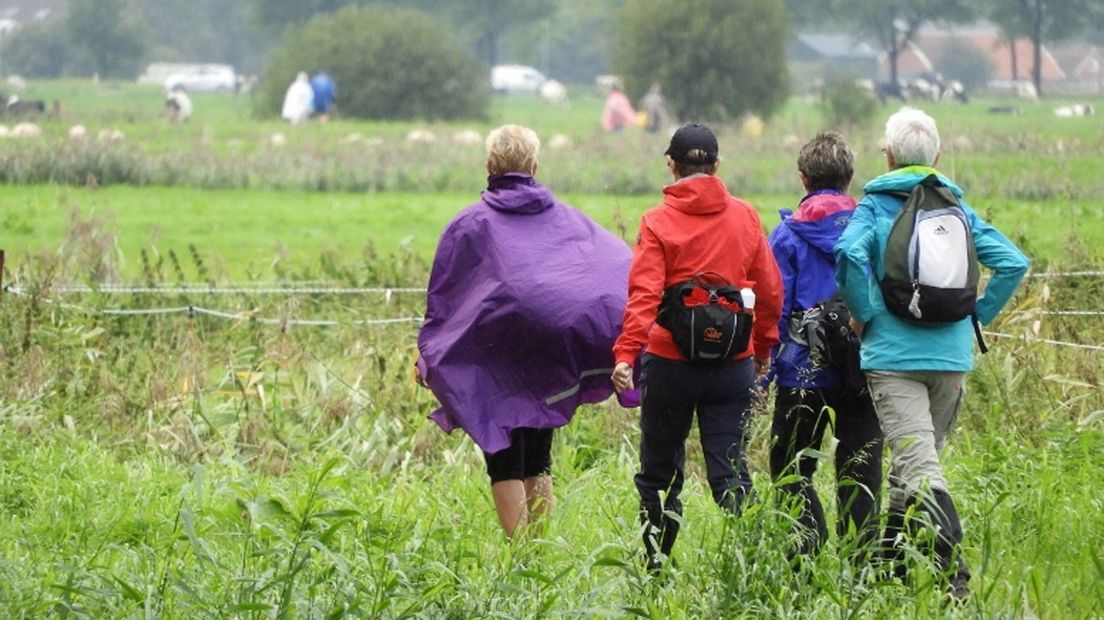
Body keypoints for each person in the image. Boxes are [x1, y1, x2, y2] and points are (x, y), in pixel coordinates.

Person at [834, 107, 1029, 599]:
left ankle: (954, 577)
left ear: (889, 156)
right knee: (912, 465)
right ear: (937, 157)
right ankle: (889, 575)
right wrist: (976, 316)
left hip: (892, 357)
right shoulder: (957, 209)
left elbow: (848, 255)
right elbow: (1013, 263)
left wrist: (867, 312)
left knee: (918, 467)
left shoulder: (875, 207)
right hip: (951, 358)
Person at [416, 124, 636, 541]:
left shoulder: (467, 225)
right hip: (545, 353)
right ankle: (540, 551)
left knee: (504, 457)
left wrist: (428, 356)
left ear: (487, 167)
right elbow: (606, 267)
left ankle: (521, 558)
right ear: (534, 166)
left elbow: (446, 302)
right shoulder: (567, 221)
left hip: (494, 360)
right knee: (538, 454)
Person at [611, 123, 783, 570]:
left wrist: (627, 355)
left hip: (670, 364)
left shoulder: (657, 221)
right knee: (731, 473)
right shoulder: (745, 216)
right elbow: (770, 290)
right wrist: (763, 348)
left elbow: (644, 296)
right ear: (716, 166)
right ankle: (756, 567)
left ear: (672, 166)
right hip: (734, 365)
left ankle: (656, 571)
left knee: (659, 474)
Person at [766, 132, 883, 561]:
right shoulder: (873, 229)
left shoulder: (786, 235)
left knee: (792, 469)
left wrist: (765, 372)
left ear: (803, 179)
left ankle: (804, 560)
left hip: (802, 371)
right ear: (850, 178)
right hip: (863, 366)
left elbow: (773, 307)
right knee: (861, 470)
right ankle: (862, 570)